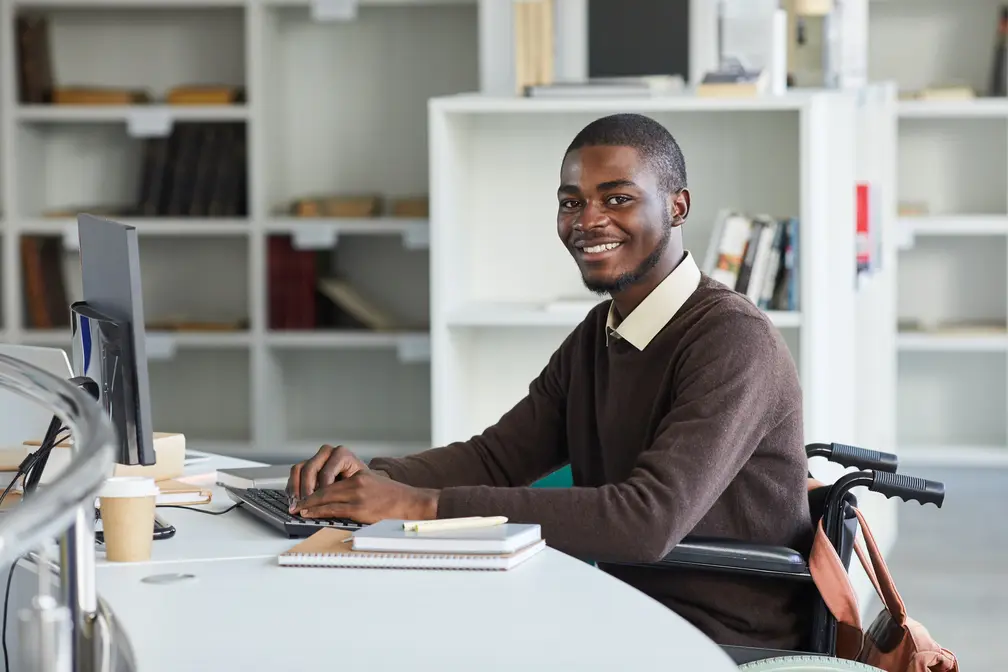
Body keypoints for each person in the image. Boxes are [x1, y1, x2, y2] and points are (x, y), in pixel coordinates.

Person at [286, 113, 813, 650]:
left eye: (616, 199)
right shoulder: (600, 334)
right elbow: (496, 457)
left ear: (677, 207)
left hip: (719, 640)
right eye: (571, 202)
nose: (587, 220)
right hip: (616, 607)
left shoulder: (732, 339)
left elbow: (646, 520)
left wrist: (417, 506)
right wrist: (370, 480)